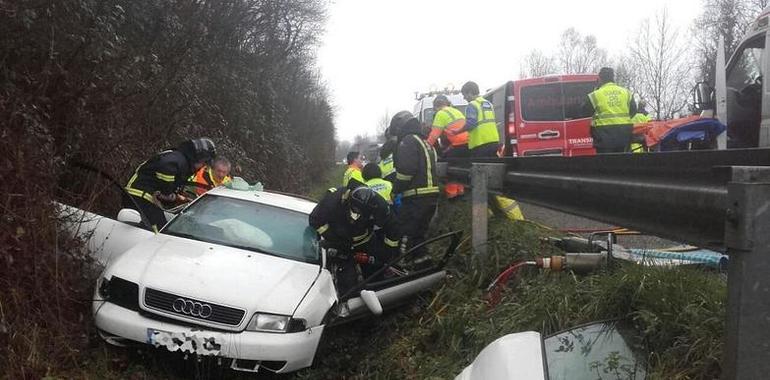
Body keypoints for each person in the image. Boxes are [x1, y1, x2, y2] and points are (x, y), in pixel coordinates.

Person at [309, 186, 401, 292]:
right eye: (355, 210)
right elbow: (315, 220)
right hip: (339, 242)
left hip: (366, 241)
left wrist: (388, 253)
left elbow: (393, 228)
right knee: (346, 281)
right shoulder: (333, 200)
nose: (357, 215)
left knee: (376, 273)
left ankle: (378, 292)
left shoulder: (380, 206)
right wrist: (334, 239)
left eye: (363, 213)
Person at [124, 138, 216, 231]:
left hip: (143, 197)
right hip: (140, 196)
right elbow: (166, 166)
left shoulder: (180, 158)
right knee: (158, 232)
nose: (202, 167)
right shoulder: (177, 159)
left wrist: (174, 196)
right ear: (198, 158)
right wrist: (167, 192)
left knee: (161, 229)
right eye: (204, 163)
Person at [389, 110, 439, 261]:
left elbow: (406, 171)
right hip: (431, 197)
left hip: (416, 198)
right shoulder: (424, 142)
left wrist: (395, 190)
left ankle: (403, 264)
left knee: (406, 233)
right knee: (419, 234)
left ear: (400, 127)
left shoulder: (407, 141)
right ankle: (423, 263)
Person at [584, 67, 637, 153]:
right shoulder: (626, 92)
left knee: (605, 164)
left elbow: (584, 112)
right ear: (613, 78)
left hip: (603, 136)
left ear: (600, 79)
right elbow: (633, 110)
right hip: (624, 135)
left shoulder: (595, 94)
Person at [427, 95, 468, 198]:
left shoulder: (440, 114)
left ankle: (451, 193)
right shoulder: (456, 111)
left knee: (448, 166)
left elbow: (434, 135)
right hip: (468, 143)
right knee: (460, 167)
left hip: (458, 144)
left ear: (436, 107)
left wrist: (426, 146)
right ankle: (461, 190)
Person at [449, 81, 500, 157]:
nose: (464, 98)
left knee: (480, 168)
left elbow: (471, 124)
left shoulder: (472, 105)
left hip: (480, 144)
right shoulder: (488, 104)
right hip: (494, 142)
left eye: (464, 95)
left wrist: (457, 131)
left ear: (470, 92)